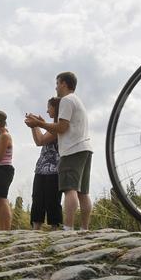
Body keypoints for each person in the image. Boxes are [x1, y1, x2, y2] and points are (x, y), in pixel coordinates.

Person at [25, 72, 93, 231]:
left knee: (70, 190)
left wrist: (39, 124)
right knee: (83, 192)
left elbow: (62, 127)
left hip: (72, 150)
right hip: (84, 148)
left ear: (63, 83)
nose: (56, 87)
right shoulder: (77, 101)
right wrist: (40, 123)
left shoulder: (66, 101)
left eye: (57, 83)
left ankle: (68, 228)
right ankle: (84, 228)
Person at [27, 97, 63, 230]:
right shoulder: (51, 127)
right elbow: (39, 140)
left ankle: (55, 228)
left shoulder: (59, 126)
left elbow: (41, 140)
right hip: (42, 167)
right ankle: (36, 227)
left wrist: (36, 124)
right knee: (37, 198)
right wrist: (34, 126)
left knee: (52, 199)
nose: (47, 111)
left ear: (55, 108)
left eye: (49, 107)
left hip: (54, 168)